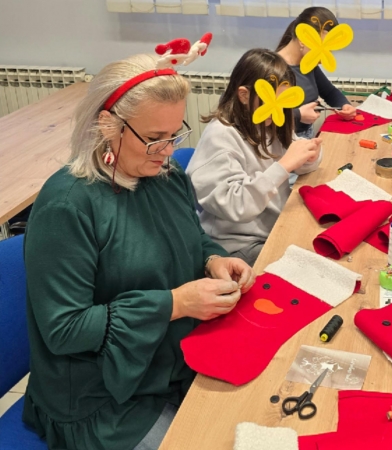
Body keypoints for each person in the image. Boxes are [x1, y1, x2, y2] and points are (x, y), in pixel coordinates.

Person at [22, 53, 256, 450]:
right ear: (107, 125)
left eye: (175, 134)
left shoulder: (165, 175)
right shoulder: (67, 206)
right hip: (101, 398)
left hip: (169, 363)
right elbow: (65, 330)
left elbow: (190, 238)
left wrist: (213, 259)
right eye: (154, 138)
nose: (168, 151)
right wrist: (175, 304)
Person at [187, 49, 322, 267]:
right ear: (243, 95)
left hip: (272, 227)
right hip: (236, 246)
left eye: (284, 100)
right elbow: (236, 206)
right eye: (271, 100)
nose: (279, 108)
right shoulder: (221, 135)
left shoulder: (270, 121)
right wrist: (284, 166)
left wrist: (309, 156)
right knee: (308, 267)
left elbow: (299, 160)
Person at [276, 6, 356, 139]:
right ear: (303, 39)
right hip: (282, 140)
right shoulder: (272, 68)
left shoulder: (308, 64)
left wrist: (344, 105)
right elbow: (263, 116)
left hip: (306, 136)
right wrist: (298, 115)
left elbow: (329, 92)